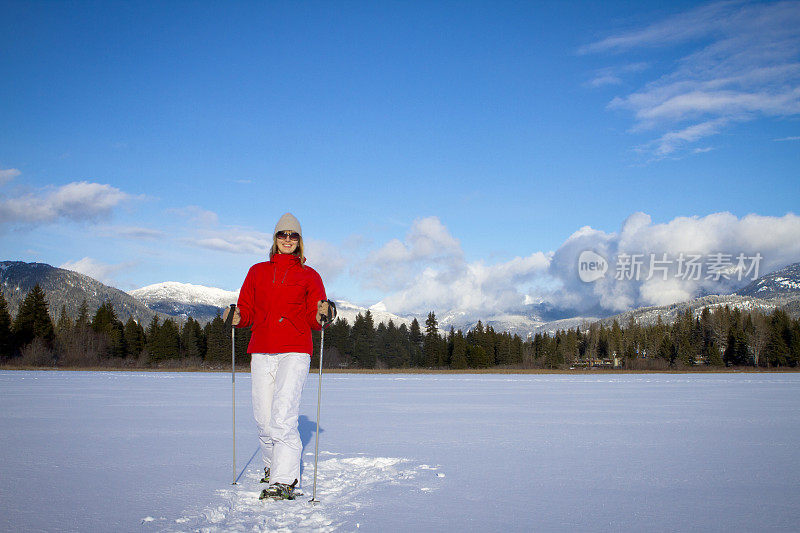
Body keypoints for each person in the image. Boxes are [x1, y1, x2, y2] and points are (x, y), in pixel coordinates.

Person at [224, 212, 329, 500]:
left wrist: (323, 314)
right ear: (275, 238)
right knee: (263, 419)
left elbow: (314, 316)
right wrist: (237, 316)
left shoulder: (310, 275)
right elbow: (247, 310)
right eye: (283, 234)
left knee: (283, 416)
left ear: (300, 241)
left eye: (293, 235)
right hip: (261, 349)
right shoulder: (257, 271)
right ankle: (272, 467)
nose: (287, 239)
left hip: (295, 350)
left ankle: (285, 479)